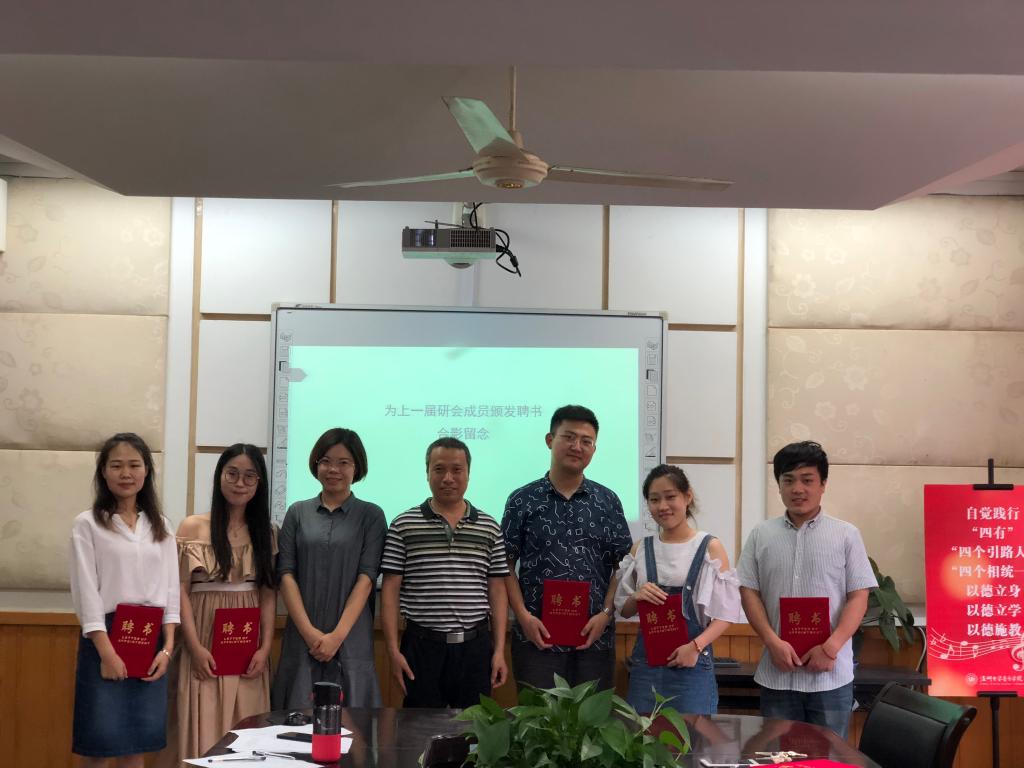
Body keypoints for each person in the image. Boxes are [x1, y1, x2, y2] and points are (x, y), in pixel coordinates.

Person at [737, 441, 877, 739]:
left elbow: (858, 596)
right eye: (788, 480)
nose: (797, 489)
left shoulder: (846, 535)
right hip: (778, 674)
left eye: (807, 480)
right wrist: (771, 641)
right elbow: (749, 591)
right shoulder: (761, 534)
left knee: (828, 756)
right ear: (779, 485)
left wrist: (830, 648)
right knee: (776, 756)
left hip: (830, 677)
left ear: (823, 484)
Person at [502, 404, 632, 691]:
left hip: (594, 639)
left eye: (586, 441)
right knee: (539, 718)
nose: (577, 447)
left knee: (592, 718)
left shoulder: (608, 501)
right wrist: (522, 616)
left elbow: (623, 566)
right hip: (537, 639)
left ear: (594, 449)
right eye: (569, 437)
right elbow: (505, 563)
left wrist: (606, 613)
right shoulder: (522, 499)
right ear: (550, 440)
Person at [69, 433, 180, 767]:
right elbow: (86, 591)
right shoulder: (88, 524)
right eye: (116, 466)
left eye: (134, 465)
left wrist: (167, 649)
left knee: (137, 743)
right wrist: (106, 653)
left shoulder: (161, 526)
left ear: (147, 471)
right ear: (103, 472)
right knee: (99, 744)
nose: (126, 473)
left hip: (150, 637)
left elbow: (171, 589)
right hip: (106, 635)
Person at [166, 444, 277, 763]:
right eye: (232, 474)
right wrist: (194, 646)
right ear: (219, 477)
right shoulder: (192, 526)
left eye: (249, 476)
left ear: (259, 483)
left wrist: (265, 647)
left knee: (246, 728)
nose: (240, 483)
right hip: (202, 637)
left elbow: (268, 593)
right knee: (203, 724)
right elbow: (179, 590)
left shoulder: (267, 533)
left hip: (248, 644)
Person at [380, 437, 509, 707]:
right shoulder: (404, 524)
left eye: (457, 470)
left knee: (473, 727)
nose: (448, 478)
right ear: (427, 472)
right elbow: (390, 589)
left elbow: (497, 590)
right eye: (439, 469)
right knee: (419, 727)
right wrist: (392, 651)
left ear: (468, 474)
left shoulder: (489, 526)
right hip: (421, 646)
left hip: (475, 647)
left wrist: (498, 651)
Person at [272, 428, 387, 709]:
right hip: (302, 636)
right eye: (325, 461)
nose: (333, 469)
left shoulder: (371, 515)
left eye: (343, 462)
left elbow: (367, 578)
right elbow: (286, 574)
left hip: (350, 637)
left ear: (356, 467)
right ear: (316, 464)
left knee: (353, 723)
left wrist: (336, 637)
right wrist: (310, 633)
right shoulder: (297, 513)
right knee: (295, 721)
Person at [615, 464, 740, 714]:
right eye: (654, 500)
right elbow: (625, 610)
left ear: (687, 496)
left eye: (670, 497)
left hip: (692, 664)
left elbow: (726, 614)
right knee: (642, 734)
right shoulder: (640, 548)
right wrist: (636, 597)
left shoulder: (709, 547)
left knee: (693, 736)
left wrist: (695, 647)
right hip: (646, 666)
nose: (663, 506)